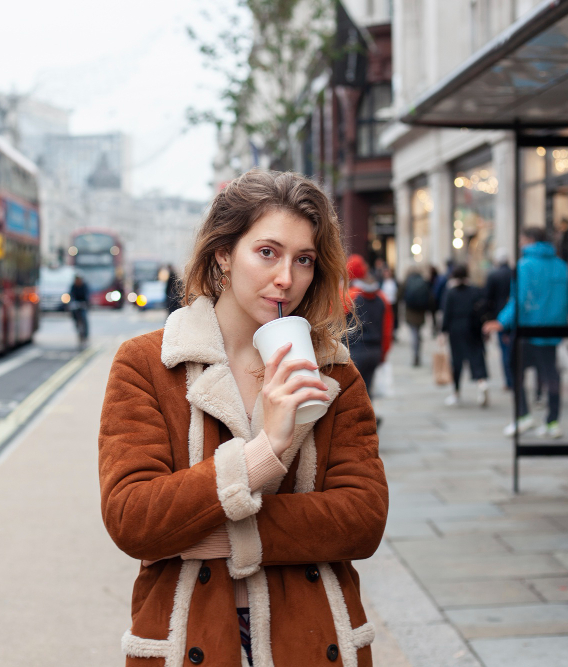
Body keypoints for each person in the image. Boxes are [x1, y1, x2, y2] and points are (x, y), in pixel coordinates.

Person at [99, 170, 387, 667]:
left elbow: (362, 519)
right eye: (268, 252)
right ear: (224, 254)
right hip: (187, 637)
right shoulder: (147, 364)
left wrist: (208, 536)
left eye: (304, 260)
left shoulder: (335, 371)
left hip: (314, 639)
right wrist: (263, 453)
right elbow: (133, 517)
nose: (286, 278)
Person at [484, 227, 568, 438]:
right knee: (551, 377)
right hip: (552, 331)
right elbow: (567, 300)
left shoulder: (525, 265)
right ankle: (552, 422)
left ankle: (523, 416)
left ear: (530, 240)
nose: (520, 244)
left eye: (522, 239)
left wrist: (501, 322)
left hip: (528, 330)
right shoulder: (561, 265)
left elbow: (520, 300)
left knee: (516, 372)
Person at [441, 264, 489, 406]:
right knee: (477, 358)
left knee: (457, 362)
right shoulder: (474, 290)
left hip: (456, 330)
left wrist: (443, 331)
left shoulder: (451, 293)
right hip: (473, 330)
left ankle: (456, 392)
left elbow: (447, 313)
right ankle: (482, 385)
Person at [346, 254, 394, 395]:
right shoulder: (381, 297)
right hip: (375, 351)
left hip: (355, 351)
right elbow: (387, 330)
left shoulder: (348, 296)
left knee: (353, 395)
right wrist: (383, 354)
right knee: (367, 392)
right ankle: (369, 416)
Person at [485, 247, 514, 390]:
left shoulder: (494, 275)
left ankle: (509, 381)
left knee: (505, 350)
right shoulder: (514, 273)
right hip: (513, 316)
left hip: (501, 317)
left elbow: (488, 298)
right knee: (513, 348)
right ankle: (514, 379)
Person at [402, 266, 433, 366]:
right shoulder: (423, 281)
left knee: (413, 333)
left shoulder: (407, 281)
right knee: (417, 332)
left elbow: (400, 296)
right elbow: (429, 296)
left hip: (410, 311)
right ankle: (418, 350)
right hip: (421, 312)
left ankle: (415, 354)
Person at [68, 274, 89, 343]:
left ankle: (85, 334)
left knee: (84, 317)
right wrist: (72, 302)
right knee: (74, 315)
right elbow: (71, 295)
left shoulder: (84, 286)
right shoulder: (73, 286)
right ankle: (77, 327)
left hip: (83, 304)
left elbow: (87, 295)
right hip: (76, 304)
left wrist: (86, 302)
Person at [381, 268, 399, 337]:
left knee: (394, 317)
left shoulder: (394, 282)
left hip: (393, 303)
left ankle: (393, 332)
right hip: (385, 303)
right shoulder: (382, 282)